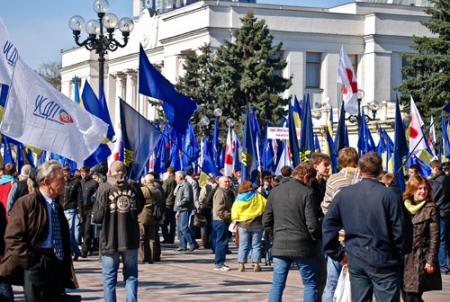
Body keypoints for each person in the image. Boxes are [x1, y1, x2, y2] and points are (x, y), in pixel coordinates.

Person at [322, 152, 413, 302]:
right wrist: (398, 252)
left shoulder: (345, 194)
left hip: (358, 257)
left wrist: (338, 253)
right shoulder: (389, 195)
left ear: (360, 169)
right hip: (382, 258)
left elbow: (328, 225)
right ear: (379, 170)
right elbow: (402, 230)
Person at [0, 160, 78, 301]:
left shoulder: (57, 206)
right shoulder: (26, 203)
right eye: (60, 179)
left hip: (55, 264)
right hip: (35, 264)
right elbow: (13, 238)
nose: (65, 182)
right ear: (47, 182)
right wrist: (30, 261)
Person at [263, 162, 321, 302]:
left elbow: (266, 220)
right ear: (306, 177)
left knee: (277, 284)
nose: (311, 184)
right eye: (311, 181)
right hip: (303, 244)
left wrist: (275, 234)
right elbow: (312, 224)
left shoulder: (275, 191)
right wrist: (317, 237)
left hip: (280, 243)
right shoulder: (307, 192)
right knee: (310, 283)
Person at [92, 161, 144, 302]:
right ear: (125, 172)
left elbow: (97, 217)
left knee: (109, 278)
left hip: (110, 238)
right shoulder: (133, 186)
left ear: (110, 171)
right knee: (131, 275)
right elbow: (140, 206)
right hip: (130, 237)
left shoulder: (104, 188)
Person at [320, 147, 360, 302]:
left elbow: (326, 207)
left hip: (339, 236)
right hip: (360, 238)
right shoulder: (364, 178)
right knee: (360, 282)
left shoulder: (333, 179)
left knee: (331, 282)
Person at [402, 175, 442, 301]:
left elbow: (435, 237)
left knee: (413, 297)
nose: (423, 191)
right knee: (406, 295)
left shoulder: (431, 208)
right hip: (403, 258)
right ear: (412, 189)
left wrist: (430, 260)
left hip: (420, 258)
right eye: (419, 188)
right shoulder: (402, 206)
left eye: (425, 189)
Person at [232, 180, 267, 272]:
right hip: (257, 224)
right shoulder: (258, 197)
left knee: (243, 245)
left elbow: (234, 211)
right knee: (256, 245)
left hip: (243, 224)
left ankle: (241, 264)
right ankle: (256, 264)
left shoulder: (239, 198)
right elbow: (266, 205)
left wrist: (235, 220)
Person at [430, 160, 450, 273]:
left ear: (436, 168)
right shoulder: (447, 178)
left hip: (441, 212)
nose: (431, 171)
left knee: (441, 239)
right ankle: (447, 264)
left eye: (432, 169)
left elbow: (434, 197)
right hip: (447, 211)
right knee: (447, 238)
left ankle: (443, 265)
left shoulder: (438, 181)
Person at [139, 174, 164, 263]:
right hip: (153, 216)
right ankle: (152, 258)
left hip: (142, 216)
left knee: (141, 238)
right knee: (152, 238)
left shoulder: (143, 190)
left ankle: (142, 258)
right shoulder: (158, 191)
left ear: (145, 181)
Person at [60, 166, 83, 261]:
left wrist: (80, 212)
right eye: (63, 172)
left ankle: (70, 252)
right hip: (61, 209)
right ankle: (76, 251)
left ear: (69, 172)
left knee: (68, 232)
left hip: (71, 210)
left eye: (67, 172)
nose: (65, 174)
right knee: (65, 233)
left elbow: (79, 198)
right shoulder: (60, 182)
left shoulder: (76, 182)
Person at [212, 176, 235, 271]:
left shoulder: (227, 192)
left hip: (223, 220)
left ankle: (220, 262)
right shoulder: (220, 193)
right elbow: (219, 210)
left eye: (228, 181)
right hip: (220, 221)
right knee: (221, 242)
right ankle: (219, 264)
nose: (227, 183)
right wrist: (230, 216)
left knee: (222, 242)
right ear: (220, 183)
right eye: (225, 182)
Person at [173, 171, 199, 252]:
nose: (175, 178)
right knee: (180, 228)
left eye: (176, 177)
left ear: (180, 177)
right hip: (180, 209)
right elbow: (176, 195)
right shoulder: (180, 185)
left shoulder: (186, 185)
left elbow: (187, 198)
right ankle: (182, 245)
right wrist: (177, 210)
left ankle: (193, 243)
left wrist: (179, 204)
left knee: (184, 228)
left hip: (185, 209)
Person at [79, 166, 99, 258]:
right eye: (82, 172)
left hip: (89, 210)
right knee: (82, 231)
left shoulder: (94, 183)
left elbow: (96, 198)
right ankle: (89, 247)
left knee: (87, 230)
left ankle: (84, 251)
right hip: (80, 210)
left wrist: (94, 210)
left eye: (85, 172)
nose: (83, 174)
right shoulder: (79, 182)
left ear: (88, 172)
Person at [310, 152, 331, 222]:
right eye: (325, 165)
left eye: (329, 165)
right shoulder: (309, 184)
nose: (328, 168)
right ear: (316, 166)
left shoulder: (327, 183)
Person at [198, 174, 216, 249]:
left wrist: (201, 206)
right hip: (215, 209)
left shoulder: (205, 187)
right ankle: (213, 242)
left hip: (206, 209)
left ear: (207, 179)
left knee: (205, 227)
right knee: (213, 226)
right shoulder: (217, 187)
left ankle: (205, 243)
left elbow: (201, 198)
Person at [162, 167, 177, 244]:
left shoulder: (167, 181)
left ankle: (166, 238)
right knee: (172, 223)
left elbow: (163, 192)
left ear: (169, 172)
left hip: (167, 203)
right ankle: (171, 238)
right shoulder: (177, 180)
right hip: (175, 204)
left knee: (164, 223)